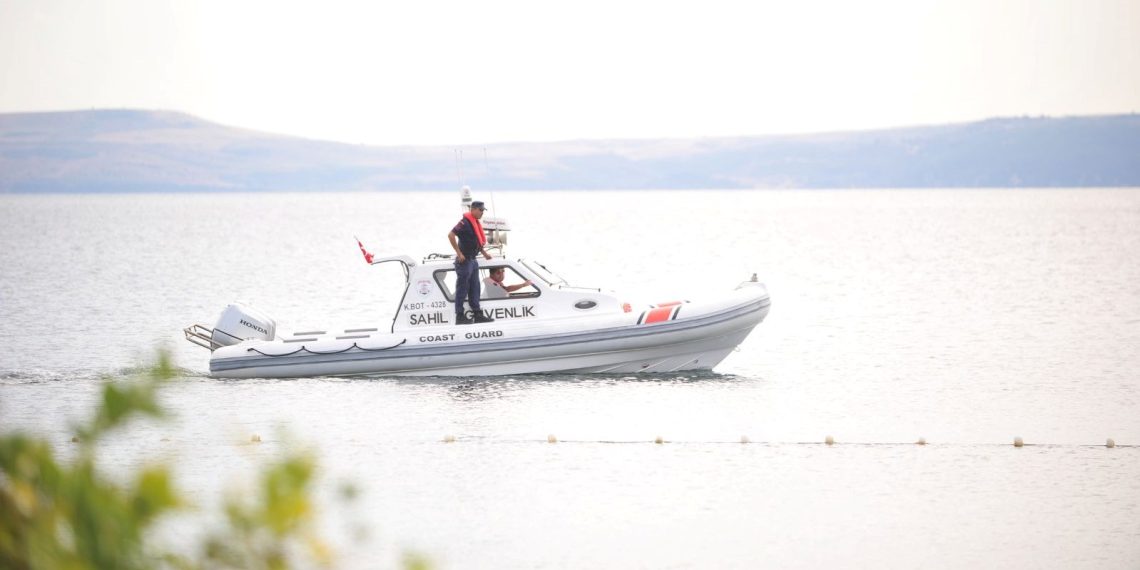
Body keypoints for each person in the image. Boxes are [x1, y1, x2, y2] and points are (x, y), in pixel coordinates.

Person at [447, 200, 494, 324]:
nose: (482, 212)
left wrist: (484, 253)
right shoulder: (464, 222)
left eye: (483, 210)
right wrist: (459, 253)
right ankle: (460, 316)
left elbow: (477, 241)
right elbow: (451, 235)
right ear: (472, 209)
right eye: (480, 210)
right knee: (462, 288)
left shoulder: (475, 223)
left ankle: (478, 314)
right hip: (464, 261)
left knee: (475, 287)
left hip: (473, 260)